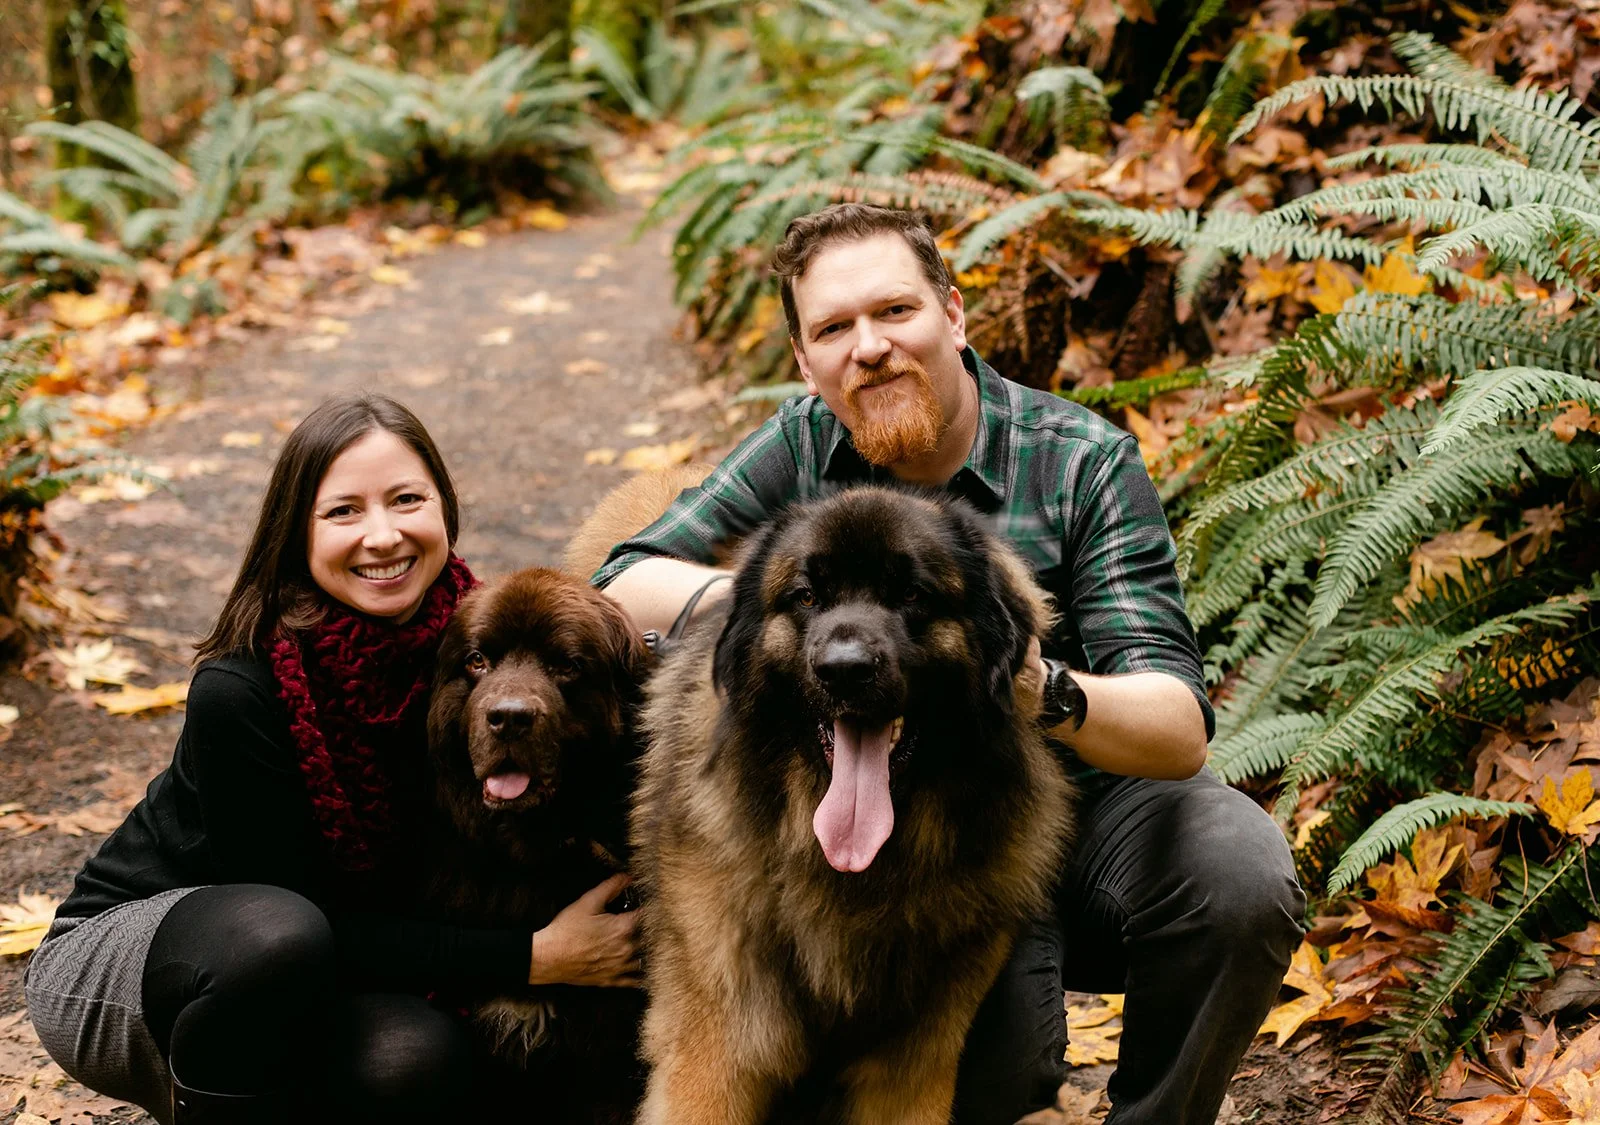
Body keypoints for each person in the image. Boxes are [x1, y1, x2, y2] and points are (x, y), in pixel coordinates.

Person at [593, 203, 1307, 1125]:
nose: (871, 347)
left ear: (954, 316)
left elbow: (1178, 727)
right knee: (986, 1078)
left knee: (1237, 870)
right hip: (929, 838)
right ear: (807, 365)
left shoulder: (1081, 462)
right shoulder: (802, 444)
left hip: (1077, 805)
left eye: (896, 312)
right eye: (834, 329)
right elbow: (625, 580)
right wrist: (789, 602)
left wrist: (1034, 685)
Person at [25, 393, 641, 1125]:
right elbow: (308, 922)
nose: (382, 535)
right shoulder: (243, 688)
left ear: (443, 509)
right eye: (344, 511)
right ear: (298, 531)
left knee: (419, 1056)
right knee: (279, 937)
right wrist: (535, 956)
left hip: (325, 962)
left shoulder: (471, 644)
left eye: (406, 499)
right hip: (153, 957)